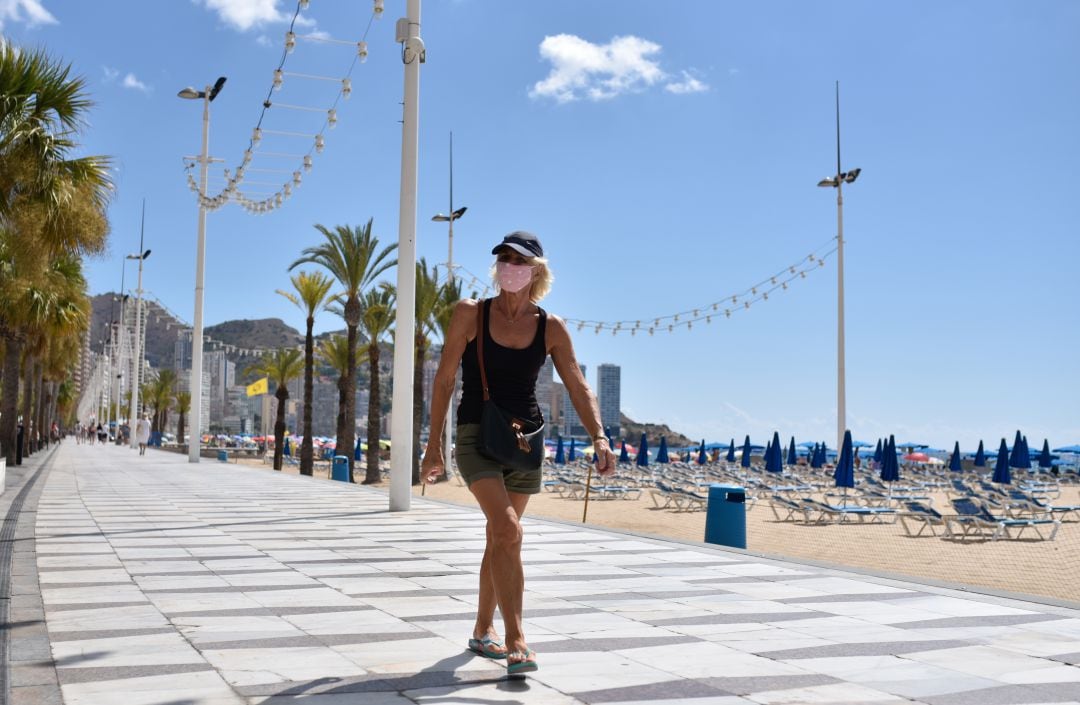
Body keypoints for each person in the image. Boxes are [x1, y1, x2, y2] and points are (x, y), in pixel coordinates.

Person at [421, 231, 618, 677]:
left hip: (526, 442)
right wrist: (433, 444)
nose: (510, 265)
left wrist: (600, 437)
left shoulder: (551, 326)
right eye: (504, 258)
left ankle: (480, 630)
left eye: (519, 259)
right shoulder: (470, 313)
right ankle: (516, 640)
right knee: (508, 529)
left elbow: (577, 384)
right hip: (476, 435)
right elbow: (445, 380)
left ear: (537, 270)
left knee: (500, 537)